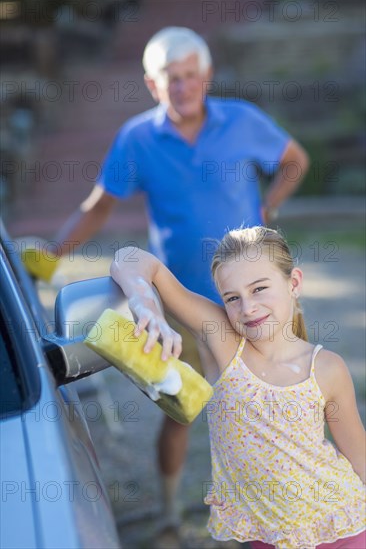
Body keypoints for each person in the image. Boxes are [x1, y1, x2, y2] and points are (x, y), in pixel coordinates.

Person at [54, 27, 309, 533]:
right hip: (181, 302)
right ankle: (171, 513)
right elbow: (99, 206)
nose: (183, 87)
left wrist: (270, 204)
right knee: (181, 410)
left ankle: (277, 510)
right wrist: (51, 255)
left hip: (251, 301)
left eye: (192, 76)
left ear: (206, 76)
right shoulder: (138, 138)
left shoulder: (241, 120)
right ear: (153, 84)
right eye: (172, 79)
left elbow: (294, 160)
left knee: (270, 407)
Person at [109, 226, 366, 549]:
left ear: (294, 283)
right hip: (265, 538)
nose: (247, 308)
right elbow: (129, 258)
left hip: (342, 529)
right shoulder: (226, 344)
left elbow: (361, 460)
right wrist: (149, 310)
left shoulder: (327, 368)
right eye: (233, 298)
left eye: (259, 289)